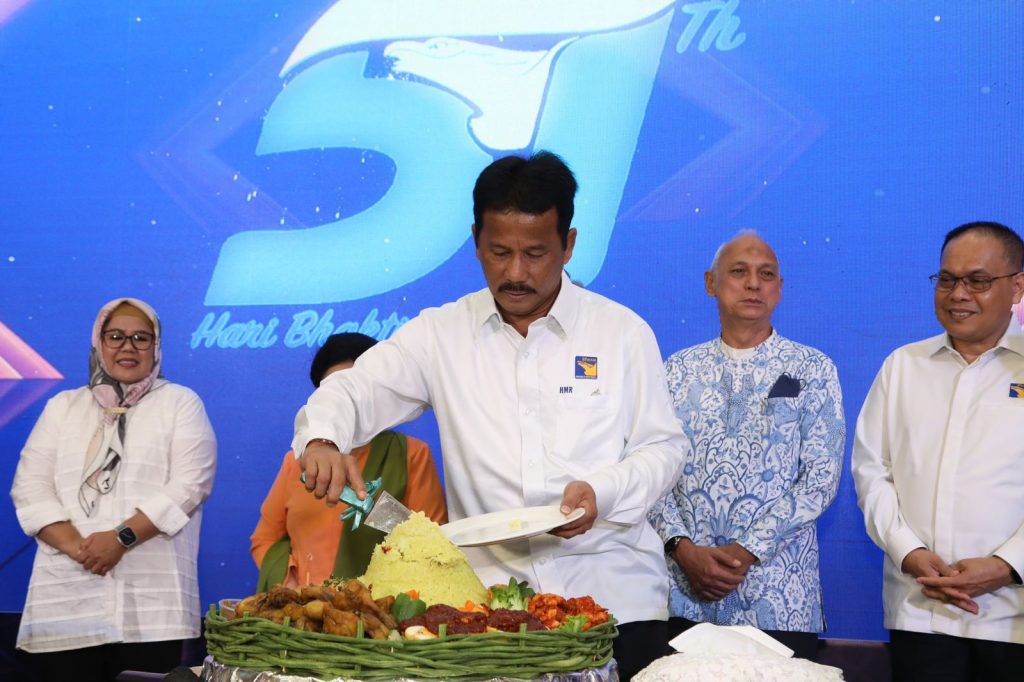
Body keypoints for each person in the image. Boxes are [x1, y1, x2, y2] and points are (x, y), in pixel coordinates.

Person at [291, 151, 687, 679]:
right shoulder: (440, 335)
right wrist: (322, 439)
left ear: (569, 244)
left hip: (615, 602)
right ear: (476, 240)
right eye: (499, 252)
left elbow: (664, 447)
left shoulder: (622, 333)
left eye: (535, 253)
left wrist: (604, 490)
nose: (516, 273)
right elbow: (354, 388)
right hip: (488, 620)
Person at [648, 231, 845, 660]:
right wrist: (682, 549)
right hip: (686, 592)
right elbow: (652, 469)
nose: (753, 283)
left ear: (779, 288)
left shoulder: (812, 368)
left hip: (779, 595)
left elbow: (820, 480)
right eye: (739, 271)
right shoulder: (676, 370)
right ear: (711, 282)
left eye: (766, 274)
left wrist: (747, 550)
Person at [10, 298, 217, 682]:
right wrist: (81, 548)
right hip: (66, 601)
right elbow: (30, 486)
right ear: (99, 342)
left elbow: (191, 484)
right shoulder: (63, 407)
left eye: (141, 338)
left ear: (156, 346)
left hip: (152, 607)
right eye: (116, 336)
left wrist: (120, 539)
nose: (128, 347)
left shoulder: (180, 403)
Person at [851, 221, 1024, 680]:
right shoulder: (903, 366)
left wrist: (1008, 566)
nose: (958, 294)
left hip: (1014, 618)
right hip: (919, 608)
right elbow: (871, 471)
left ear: (1017, 287)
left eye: (978, 281)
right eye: (947, 279)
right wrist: (908, 551)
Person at [249, 332, 447, 589]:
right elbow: (264, 539)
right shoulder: (297, 462)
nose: (347, 403)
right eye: (336, 393)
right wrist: (293, 585)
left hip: (379, 607)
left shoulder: (411, 454)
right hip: (304, 606)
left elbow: (433, 546)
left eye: (355, 392)